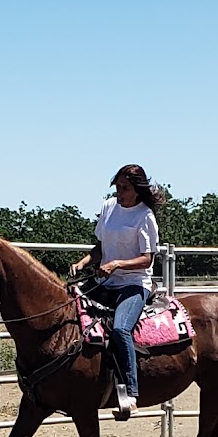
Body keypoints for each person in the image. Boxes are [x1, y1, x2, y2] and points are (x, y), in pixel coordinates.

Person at [80, 163, 161, 419]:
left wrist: (117, 264)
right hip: (106, 282)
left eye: (124, 188)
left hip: (134, 284)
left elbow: (147, 259)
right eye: (117, 186)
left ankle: (131, 394)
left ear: (137, 190)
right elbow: (100, 247)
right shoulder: (108, 208)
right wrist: (83, 262)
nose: (119, 192)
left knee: (120, 329)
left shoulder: (145, 216)